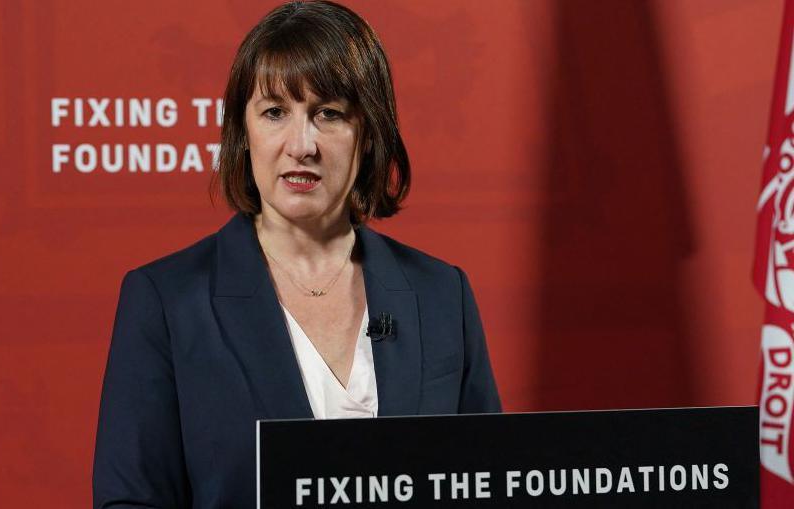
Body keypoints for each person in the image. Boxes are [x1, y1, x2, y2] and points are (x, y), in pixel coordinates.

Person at [92, 1, 501, 507]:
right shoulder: (168, 300)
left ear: (368, 135)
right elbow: (131, 499)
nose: (300, 144)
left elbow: (488, 484)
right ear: (243, 135)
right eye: (275, 112)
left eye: (328, 114)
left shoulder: (443, 294)